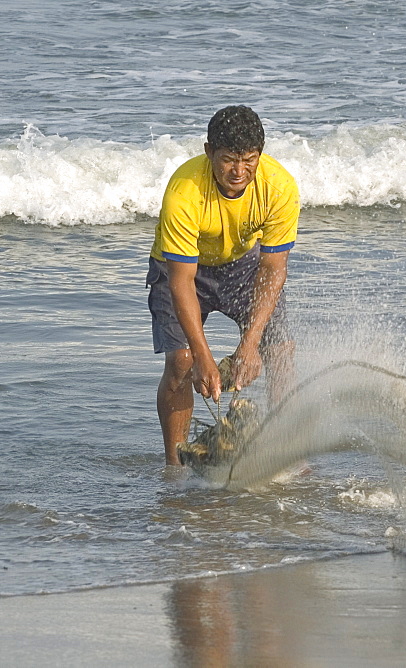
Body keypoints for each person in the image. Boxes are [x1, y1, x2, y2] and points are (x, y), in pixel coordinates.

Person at [146, 105, 299, 465]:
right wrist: (202, 357)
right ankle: (175, 465)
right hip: (184, 269)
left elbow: (274, 268)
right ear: (208, 152)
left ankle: (287, 455)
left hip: (244, 267)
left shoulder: (279, 186)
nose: (239, 171)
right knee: (182, 361)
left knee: (279, 351)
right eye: (229, 160)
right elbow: (181, 280)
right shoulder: (185, 192)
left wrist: (250, 343)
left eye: (249, 160)